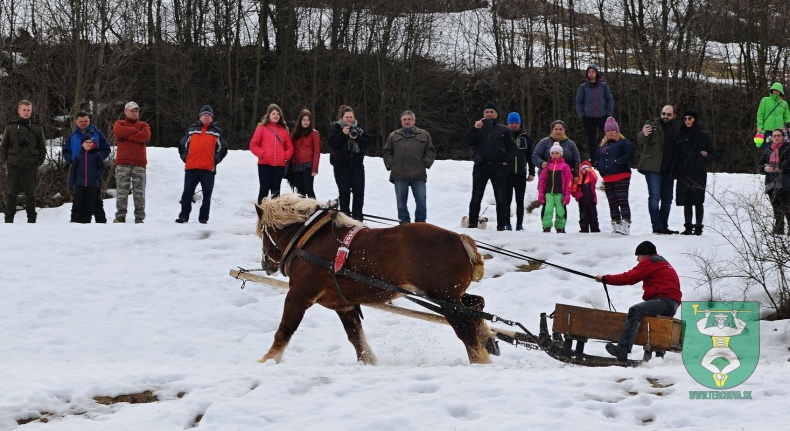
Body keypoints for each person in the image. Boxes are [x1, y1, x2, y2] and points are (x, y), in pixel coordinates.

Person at [594, 241, 682, 362]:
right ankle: (657, 358)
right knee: (647, 318)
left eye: (638, 256)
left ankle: (623, 349)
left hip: (665, 301)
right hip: (670, 303)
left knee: (636, 310)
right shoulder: (661, 261)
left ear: (645, 254)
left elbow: (629, 277)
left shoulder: (651, 261)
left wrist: (605, 279)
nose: (637, 259)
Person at [462, 102, 516, 231]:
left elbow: (512, 148)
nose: (489, 114)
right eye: (487, 112)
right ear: (483, 114)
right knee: (476, 196)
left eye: (492, 112)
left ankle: (501, 226)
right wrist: (474, 129)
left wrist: (506, 161)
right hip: (481, 166)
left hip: (498, 167)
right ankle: (473, 224)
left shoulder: (504, 129)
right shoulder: (478, 128)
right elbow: (467, 142)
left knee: (501, 197)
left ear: (496, 114)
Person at [175, 105, 228, 224]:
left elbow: (223, 148)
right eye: (204, 115)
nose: (206, 117)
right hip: (191, 167)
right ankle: (184, 216)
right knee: (187, 192)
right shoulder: (191, 130)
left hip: (208, 169)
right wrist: (185, 157)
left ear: (212, 118)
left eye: (209, 115)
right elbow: (182, 145)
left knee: (207, 194)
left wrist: (215, 160)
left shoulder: (217, 132)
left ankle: (203, 218)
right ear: (200, 117)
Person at [383, 110, 436, 224]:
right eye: (404, 119)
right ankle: (404, 224)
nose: (407, 121)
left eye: (409, 119)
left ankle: (420, 223)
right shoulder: (393, 135)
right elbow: (387, 152)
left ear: (414, 120)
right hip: (399, 174)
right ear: (401, 121)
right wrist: (391, 164)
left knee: (421, 201)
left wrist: (426, 163)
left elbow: (430, 151)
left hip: (418, 174)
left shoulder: (424, 135)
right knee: (401, 203)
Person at [1, 100, 46, 223]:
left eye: (29, 110)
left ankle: (31, 220)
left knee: (30, 194)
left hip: (31, 165)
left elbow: (42, 148)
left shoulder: (36, 128)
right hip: (13, 164)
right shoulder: (11, 127)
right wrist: (6, 161)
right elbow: (3, 146)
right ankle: (8, 220)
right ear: (19, 110)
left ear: (31, 111)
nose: (26, 112)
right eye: (24, 110)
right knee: (11, 193)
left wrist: (38, 162)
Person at [636, 105, 679, 234]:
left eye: (668, 114)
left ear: (674, 116)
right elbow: (641, 139)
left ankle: (664, 226)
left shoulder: (677, 130)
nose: (665, 116)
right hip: (652, 167)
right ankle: (657, 226)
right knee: (654, 197)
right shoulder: (652, 125)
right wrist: (643, 133)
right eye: (663, 113)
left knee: (668, 199)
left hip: (669, 169)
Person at [63, 111, 111, 223]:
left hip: (93, 171)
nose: (83, 123)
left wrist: (97, 159)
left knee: (96, 198)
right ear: (76, 122)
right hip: (79, 171)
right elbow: (66, 151)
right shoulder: (73, 136)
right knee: (78, 199)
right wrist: (73, 160)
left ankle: (101, 222)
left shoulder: (97, 133)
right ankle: (76, 221)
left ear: (89, 120)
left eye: (86, 121)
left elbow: (106, 148)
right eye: (81, 121)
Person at [673, 110, 715, 235]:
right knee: (686, 199)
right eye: (685, 118)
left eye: (689, 118)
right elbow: (675, 154)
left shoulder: (704, 135)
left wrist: (706, 156)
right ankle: (687, 227)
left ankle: (698, 227)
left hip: (698, 171)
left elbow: (713, 153)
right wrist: (675, 169)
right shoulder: (679, 134)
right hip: (684, 171)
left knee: (697, 199)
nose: (687, 121)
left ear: (695, 119)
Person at [328, 105, 371, 221]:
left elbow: (367, 143)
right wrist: (343, 134)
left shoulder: (359, 128)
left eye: (351, 117)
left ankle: (357, 219)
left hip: (357, 165)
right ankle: (345, 219)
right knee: (344, 193)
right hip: (341, 165)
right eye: (347, 117)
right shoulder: (336, 127)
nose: (349, 119)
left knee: (359, 193)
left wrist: (356, 137)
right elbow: (332, 143)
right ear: (342, 117)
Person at [112, 101, 151, 223]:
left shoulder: (144, 125)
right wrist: (135, 131)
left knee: (139, 192)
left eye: (136, 111)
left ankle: (139, 218)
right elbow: (118, 132)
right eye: (132, 110)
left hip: (139, 163)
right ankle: (120, 216)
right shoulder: (119, 123)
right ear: (125, 111)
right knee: (122, 191)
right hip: (122, 163)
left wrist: (127, 134)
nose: (134, 113)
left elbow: (145, 137)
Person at [594, 117, 634, 235]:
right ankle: (615, 223)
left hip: (621, 175)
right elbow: (596, 159)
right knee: (612, 201)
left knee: (622, 199)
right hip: (607, 177)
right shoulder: (602, 146)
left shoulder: (623, 142)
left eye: (612, 130)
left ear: (617, 131)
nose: (610, 132)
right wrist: (598, 165)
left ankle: (625, 224)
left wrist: (619, 161)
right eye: (608, 130)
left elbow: (630, 154)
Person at [250, 103, 294, 204]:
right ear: (269, 115)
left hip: (279, 166)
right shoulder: (262, 128)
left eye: (278, 114)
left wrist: (285, 156)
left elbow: (290, 147)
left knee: (276, 191)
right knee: (264, 190)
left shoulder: (284, 131)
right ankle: (262, 214)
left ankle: (275, 216)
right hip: (264, 164)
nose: (276, 115)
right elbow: (253, 145)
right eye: (273, 113)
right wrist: (262, 154)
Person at [575, 64, 614, 163]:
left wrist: (609, 113)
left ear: (596, 73)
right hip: (588, 118)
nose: (591, 74)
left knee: (609, 137)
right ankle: (593, 161)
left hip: (603, 116)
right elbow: (578, 101)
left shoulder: (603, 86)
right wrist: (582, 114)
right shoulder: (583, 87)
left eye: (593, 72)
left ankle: (609, 158)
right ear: (587, 74)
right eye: (589, 72)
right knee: (591, 141)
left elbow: (609, 99)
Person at [504, 112, 535, 231]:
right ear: (508, 124)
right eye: (511, 123)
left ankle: (519, 224)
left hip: (520, 174)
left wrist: (532, 172)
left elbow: (530, 156)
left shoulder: (525, 137)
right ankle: (507, 223)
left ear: (519, 123)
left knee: (520, 201)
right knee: (506, 200)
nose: (513, 125)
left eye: (516, 123)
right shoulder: (504, 136)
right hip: (507, 174)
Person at [68, 136, 105, 224]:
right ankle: (80, 221)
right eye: (86, 142)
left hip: (92, 184)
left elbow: (102, 167)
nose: (89, 144)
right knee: (80, 203)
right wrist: (71, 183)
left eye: (90, 142)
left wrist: (96, 176)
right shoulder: (78, 155)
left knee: (90, 203)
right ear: (82, 144)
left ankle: (88, 220)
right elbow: (73, 170)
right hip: (79, 183)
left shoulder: (97, 154)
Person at [759, 129, 790, 235]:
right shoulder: (768, 150)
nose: (776, 138)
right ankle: (779, 229)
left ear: (783, 137)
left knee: (786, 207)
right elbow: (760, 165)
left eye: (778, 135)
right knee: (776, 207)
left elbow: (788, 162)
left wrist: (778, 167)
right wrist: (764, 168)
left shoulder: (787, 148)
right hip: (771, 182)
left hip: (785, 182)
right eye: (774, 136)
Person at [537, 144, 572, 233]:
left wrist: (567, 194)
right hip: (549, 193)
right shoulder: (548, 166)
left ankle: (560, 227)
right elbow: (542, 180)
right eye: (552, 153)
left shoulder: (565, 166)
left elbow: (569, 180)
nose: (554, 155)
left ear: (561, 154)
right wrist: (541, 193)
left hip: (560, 193)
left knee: (560, 211)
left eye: (557, 153)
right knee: (548, 209)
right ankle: (547, 226)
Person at [288, 109, 321, 199]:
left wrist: (315, 169)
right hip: (296, 166)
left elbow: (317, 151)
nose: (306, 122)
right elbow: (291, 148)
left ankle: (315, 209)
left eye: (308, 120)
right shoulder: (295, 134)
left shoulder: (314, 133)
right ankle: (302, 211)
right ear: (300, 121)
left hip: (308, 165)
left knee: (309, 189)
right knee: (300, 191)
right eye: (304, 119)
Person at [571, 160, 600, 232]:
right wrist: (578, 195)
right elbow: (573, 190)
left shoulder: (591, 180)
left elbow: (594, 178)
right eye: (583, 169)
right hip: (582, 202)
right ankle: (584, 229)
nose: (585, 170)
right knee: (583, 216)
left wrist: (590, 171)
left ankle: (595, 229)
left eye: (587, 168)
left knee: (593, 216)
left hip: (591, 201)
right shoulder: (578, 180)